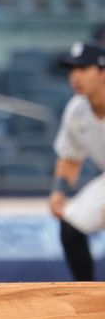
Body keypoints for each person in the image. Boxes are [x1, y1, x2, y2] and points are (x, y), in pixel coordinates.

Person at [49, 41, 105, 281]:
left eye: (83, 69)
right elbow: (70, 158)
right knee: (71, 226)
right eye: (72, 70)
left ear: (102, 71)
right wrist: (59, 191)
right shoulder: (76, 110)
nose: (75, 76)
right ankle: (89, 295)